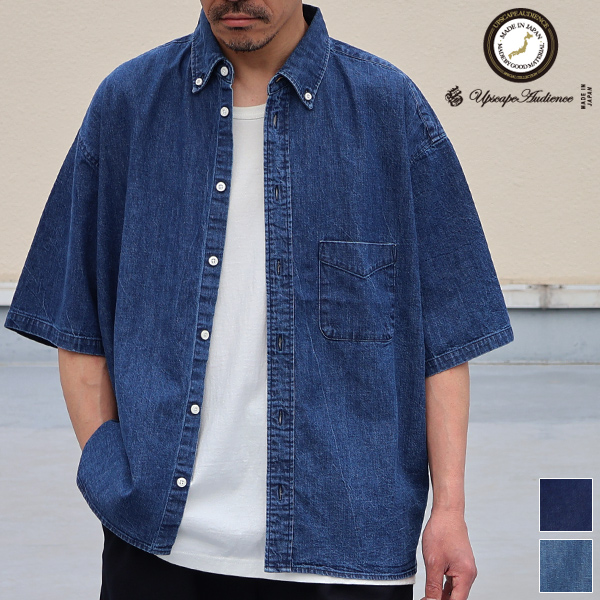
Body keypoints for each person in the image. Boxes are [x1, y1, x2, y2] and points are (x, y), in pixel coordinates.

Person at [4, 1, 514, 599]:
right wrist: (111, 472)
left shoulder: (388, 109)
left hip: (347, 548)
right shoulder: (129, 105)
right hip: (158, 542)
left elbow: (444, 339)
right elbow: (78, 318)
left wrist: (449, 508)